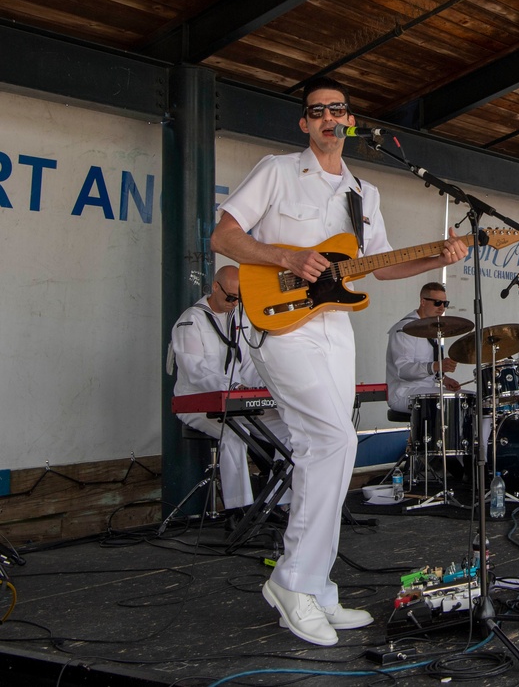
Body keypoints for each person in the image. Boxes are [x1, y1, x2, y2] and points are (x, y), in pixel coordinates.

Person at [211, 77, 468, 647]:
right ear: (304, 123)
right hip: (282, 324)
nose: (329, 118)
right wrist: (285, 255)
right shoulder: (277, 170)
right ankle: (292, 581)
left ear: (350, 121)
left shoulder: (363, 192)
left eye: (338, 111)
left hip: (335, 328)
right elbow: (223, 237)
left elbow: (376, 266)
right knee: (327, 438)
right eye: (317, 111)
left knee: (338, 444)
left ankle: (317, 586)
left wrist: (435, 253)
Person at [171, 266, 291, 512]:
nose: (235, 303)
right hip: (197, 403)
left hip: (237, 402)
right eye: (230, 297)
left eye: (240, 299)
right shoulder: (191, 320)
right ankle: (239, 509)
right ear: (215, 287)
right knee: (234, 436)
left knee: (293, 431)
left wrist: (273, 386)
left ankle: (276, 502)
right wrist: (234, 387)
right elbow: (195, 370)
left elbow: (250, 364)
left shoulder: (239, 319)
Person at [386, 282, 461, 413]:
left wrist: (444, 379)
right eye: (437, 302)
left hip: (426, 390)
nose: (442, 308)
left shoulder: (430, 328)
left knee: (471, 401)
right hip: (403, 392)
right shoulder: (404, 329)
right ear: (423, 302)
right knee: (451, 405)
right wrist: (436, 366)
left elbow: (428, 368)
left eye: (445, 303)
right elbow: (403, 370)